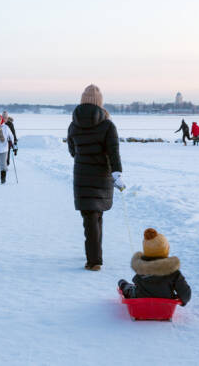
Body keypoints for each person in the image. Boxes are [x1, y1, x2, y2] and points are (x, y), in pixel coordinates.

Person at [67, 85, 124, 271]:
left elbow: (72, 151)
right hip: (101, 176)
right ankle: (94, 259)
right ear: (100, 102)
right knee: (97, 216)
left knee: (89, 217)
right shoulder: (107, 125)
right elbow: (114, 152)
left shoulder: (74, 124)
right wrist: (117, 173)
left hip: (82, 175)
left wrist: (84, 157)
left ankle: (94, 258)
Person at [117, 228, 191, 307]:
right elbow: (185, 294)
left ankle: (124, 285)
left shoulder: (141, 267)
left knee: (129, 288)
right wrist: (181, 300)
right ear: (166, 250)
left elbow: (136, 281)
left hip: (141, 303)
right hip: (165, 305)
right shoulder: (173, 272)